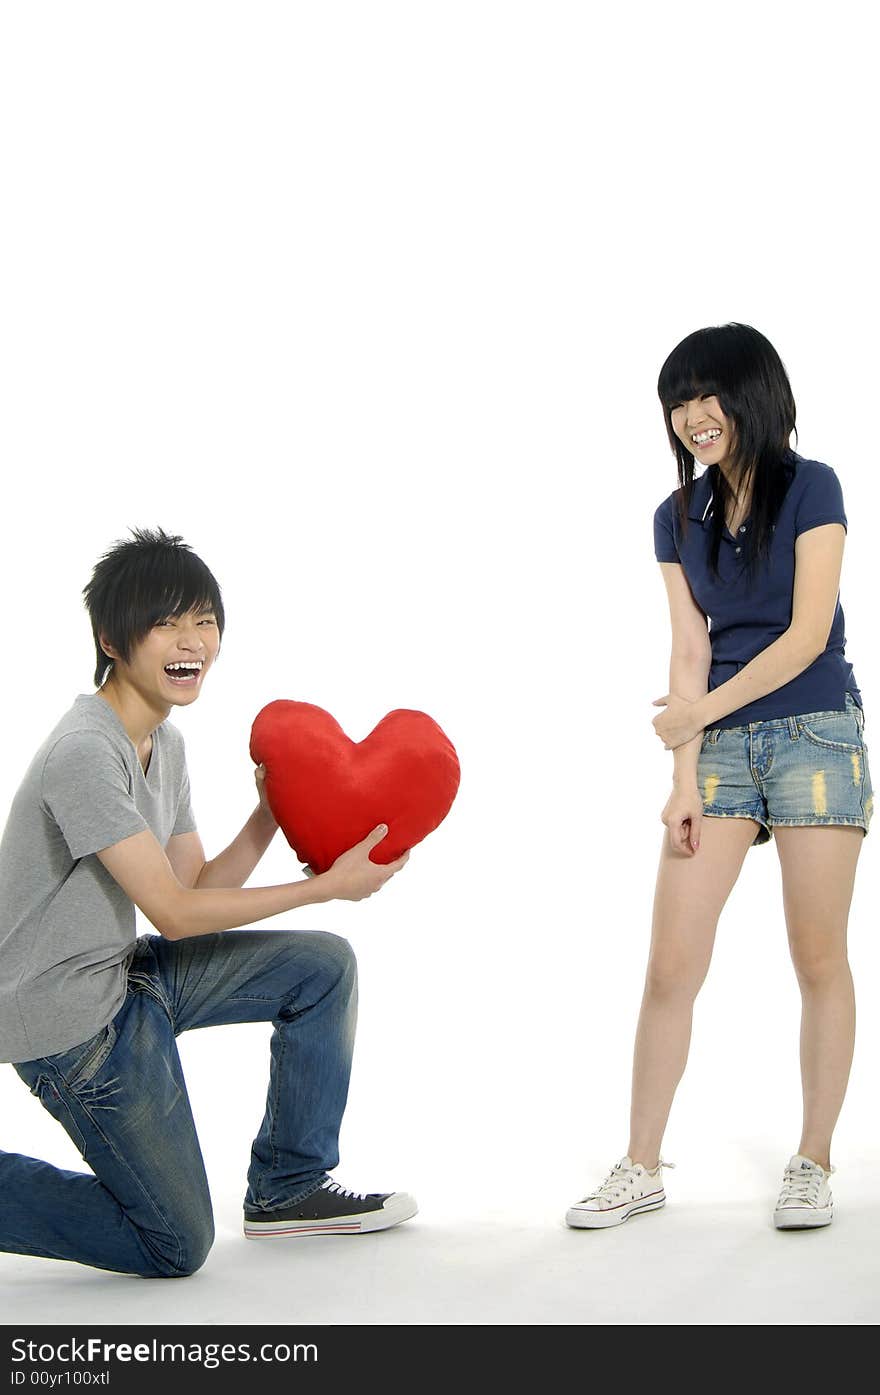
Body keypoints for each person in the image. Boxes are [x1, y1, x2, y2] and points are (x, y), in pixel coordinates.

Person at [0, 528, 414, 1278]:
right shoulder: (85, 753)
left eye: (203, 619)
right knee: (176, 1244)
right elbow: (175, 914)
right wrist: (328, 884)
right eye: (165, 622)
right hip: (68, 1024)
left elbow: (195, 892)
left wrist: (270, 813)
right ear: (111, 639)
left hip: (128, 975)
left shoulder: (167, 741)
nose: (191, 640)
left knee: (323, 966)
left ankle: (288, 1186)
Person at [566, 323, 872, 1232]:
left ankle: (814, 1160)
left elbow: (809, 633)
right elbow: (689, 645)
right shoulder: (676, 515)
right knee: (671, 965)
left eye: (710, 395)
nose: (694, 415)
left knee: (817, 957)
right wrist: (684, 776)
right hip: (723, 748)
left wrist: (695, 711)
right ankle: (640, 1164)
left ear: (752, 395)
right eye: (680, 400)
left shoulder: (814, 486)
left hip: (816, 727)